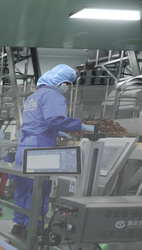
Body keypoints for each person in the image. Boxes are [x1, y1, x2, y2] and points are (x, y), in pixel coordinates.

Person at [12, 64, 94, 238]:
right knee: (40, 191)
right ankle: (35, 228)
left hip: (23, 146)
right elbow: (54, 120)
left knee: (22, 189)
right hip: (39, 147)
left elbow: (38, 122)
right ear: (59, 81)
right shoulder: (53, 95)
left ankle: (18, 225)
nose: (67, 88)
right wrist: (81, 125)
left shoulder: (32, 97)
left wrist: (57, 131)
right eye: (67, 83)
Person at [0, 130, 16, 200]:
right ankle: (1, 194)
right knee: (4, 178)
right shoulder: (4, 142)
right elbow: (15, 144)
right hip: (3, 163)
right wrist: (19, 138)